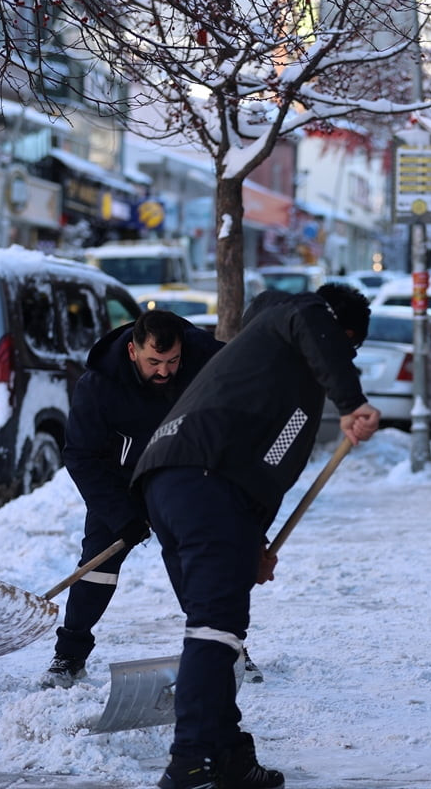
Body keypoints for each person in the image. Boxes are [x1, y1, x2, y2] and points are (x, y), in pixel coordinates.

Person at [132, 284, 381, 789]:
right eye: (344, 344)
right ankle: (189, 763)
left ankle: (226, 756)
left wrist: (254, 543)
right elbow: (306, 313)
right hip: (200, 481)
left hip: (186, 487)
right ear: (338, 330)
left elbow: (265, 469)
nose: (339, 354)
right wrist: (351, 400)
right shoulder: (295, 316)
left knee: (216, 634)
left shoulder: (276, 374)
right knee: (215, 626)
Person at [41, 310, 225, 689]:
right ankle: (70, 656)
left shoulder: (207, 362)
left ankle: (225, 646)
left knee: (198, 563)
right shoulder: (98, 385)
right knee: (97, 564)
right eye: (153, 362)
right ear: (131, 351)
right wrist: (120, 514)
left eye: (172, 361)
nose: (164, 371)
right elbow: (80, 455)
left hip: (181, 474)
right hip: (121, 481)